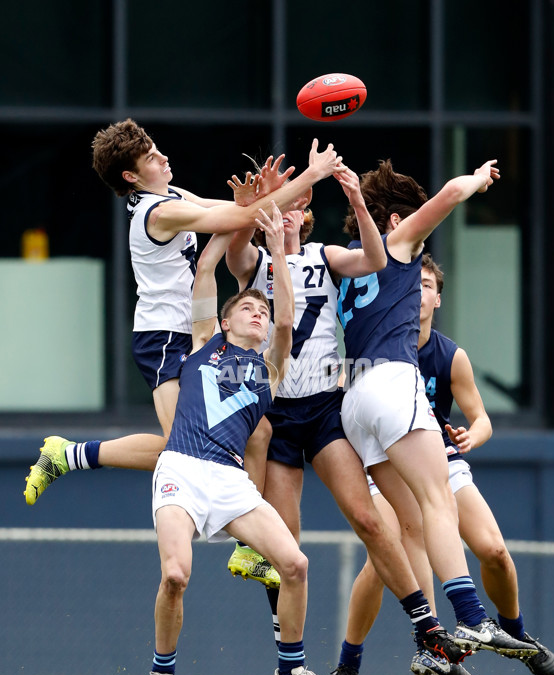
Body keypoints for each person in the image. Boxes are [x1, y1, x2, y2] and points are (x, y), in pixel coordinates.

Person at [222, 161, 474, 675]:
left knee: (369, 519)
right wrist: (253, 206)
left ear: (306, 215)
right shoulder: (256, 263)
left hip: (324, 406)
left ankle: (427, 629)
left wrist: (358, 201)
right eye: (280, 206)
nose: (286, 213)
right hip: (275, 412)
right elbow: (233, 248)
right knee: (284, 543)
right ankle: (289, 663)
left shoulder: (323, 257)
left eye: (294, 205)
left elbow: (377, 257)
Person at [24, 120, 341, 506]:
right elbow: (239, 219)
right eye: (152, 158)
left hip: (196, 330)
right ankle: (69, 455)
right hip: (162, 338)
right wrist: (311, 175)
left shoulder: (170, 194)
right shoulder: (158, 213)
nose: (163, 156)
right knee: (184, 451)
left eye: (157, 148)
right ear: (131, 175)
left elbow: (231, 212)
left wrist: (267, 198)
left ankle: (249, 545)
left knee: (257, 431)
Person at [324, 158, 539, 675]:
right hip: (395, 383)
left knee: (413, 525)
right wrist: (480, 177)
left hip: (354, 400)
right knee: (439, 496)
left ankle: (432, 646)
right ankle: (471, 614)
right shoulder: (397, 244)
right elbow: (448, 195)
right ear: (395, 218)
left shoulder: (345, 263)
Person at [134, 202, 339, 675]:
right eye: (248, 307)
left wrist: (276, 257)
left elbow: (287, 319)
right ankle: (161, 674)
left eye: (262, 311)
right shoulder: (204, 342)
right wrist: (244, 212)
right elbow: (205, 267)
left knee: (295, 565)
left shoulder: (270, 366)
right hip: (181, 468)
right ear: (225, 322)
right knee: (177, 575)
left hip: (230, 480)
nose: (258, 313)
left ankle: (290, 673)